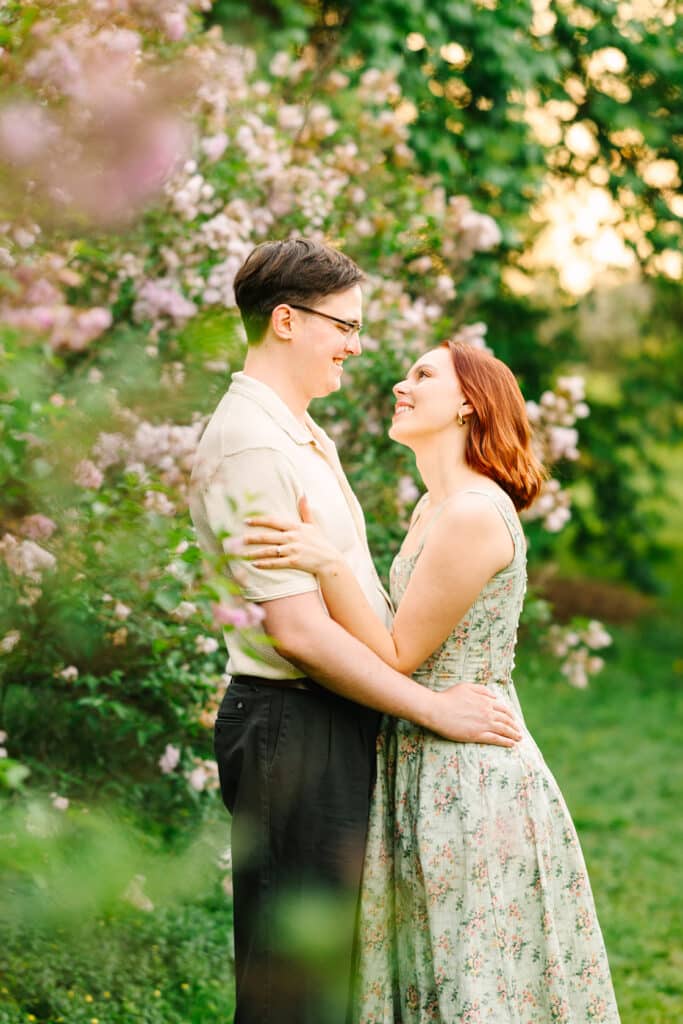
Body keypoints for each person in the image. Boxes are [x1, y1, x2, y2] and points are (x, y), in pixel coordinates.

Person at [188, 239, 521, 1024]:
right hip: (291, 728)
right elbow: (299, 633)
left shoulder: (298, 431)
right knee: (293, 997)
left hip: (329, 720)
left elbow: (349, 602)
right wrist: (431, 707)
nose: (355, 345)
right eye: (344, 324)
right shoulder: (253, 443)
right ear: (284, 322)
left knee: (332, 984)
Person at [243, 341, 621, 1023]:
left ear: (467, 404)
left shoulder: (473, 513)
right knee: (434, 964)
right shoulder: (432, 507)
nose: (400, 384)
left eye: (421, 375)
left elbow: (394, 654)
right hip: (424, 747)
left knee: (473, 973)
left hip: (467, 772)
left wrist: (326, 564)